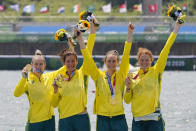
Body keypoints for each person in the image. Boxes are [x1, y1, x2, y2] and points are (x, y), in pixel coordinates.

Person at [123, 21, 183, 131]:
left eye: (147, 60)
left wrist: (176, 28)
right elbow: (127, 100)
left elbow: (166, 48)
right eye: (142, 60)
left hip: (154, 120)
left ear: (151, 61)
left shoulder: (156, 71)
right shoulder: (132, 75)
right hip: (138, 121)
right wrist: (127, 87)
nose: (144, 62)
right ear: (138, 61)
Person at [79, 22, 134, 131]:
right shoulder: (98, 75)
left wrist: (130, 33)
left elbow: (126, 53)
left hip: (119, 118)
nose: (111, 63)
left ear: (118, 62)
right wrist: (80, 38)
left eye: (114, 61)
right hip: (102, 118)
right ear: (105, 62)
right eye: (109, 61)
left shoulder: (121, 73)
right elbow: (88, 59)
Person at [51, 20, 97, 131]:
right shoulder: (59, 78)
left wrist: (93, 30)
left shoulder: (82, 72)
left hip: (81, 118)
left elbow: (88, 52)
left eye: (73, 61)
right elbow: (54, 104)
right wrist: (55, 90)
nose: (71, 64)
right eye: (68, 61)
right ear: (64, 63)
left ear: (77, 62)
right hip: (64, 120)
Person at [14, 49, 65, 131]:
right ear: (31, 65)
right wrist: (23, 78)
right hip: (34, 121)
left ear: (45, 65)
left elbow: (65, 68)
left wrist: (71, 47)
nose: (38, 66)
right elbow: (16, 94)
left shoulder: (49, 77)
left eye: (41, 64)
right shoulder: (28, 80)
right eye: (36, 64)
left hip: (50, 120)